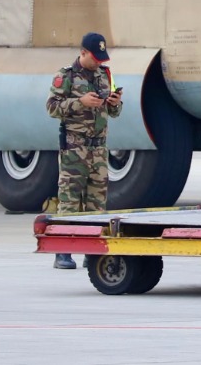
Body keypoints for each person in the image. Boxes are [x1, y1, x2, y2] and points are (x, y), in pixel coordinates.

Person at [45, 31, 121, 270]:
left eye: (101, 59)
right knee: (69, 200)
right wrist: (80, 102)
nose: (98, 62)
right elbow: (52, 107)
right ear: (83, 53)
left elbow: (115, 112)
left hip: (98, 150)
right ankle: (62, 252)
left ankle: (92, 252)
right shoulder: (66, 76)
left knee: (97, 204)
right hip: (74, 149)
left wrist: (115, 103)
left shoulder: (105, 75)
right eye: (95, 58)